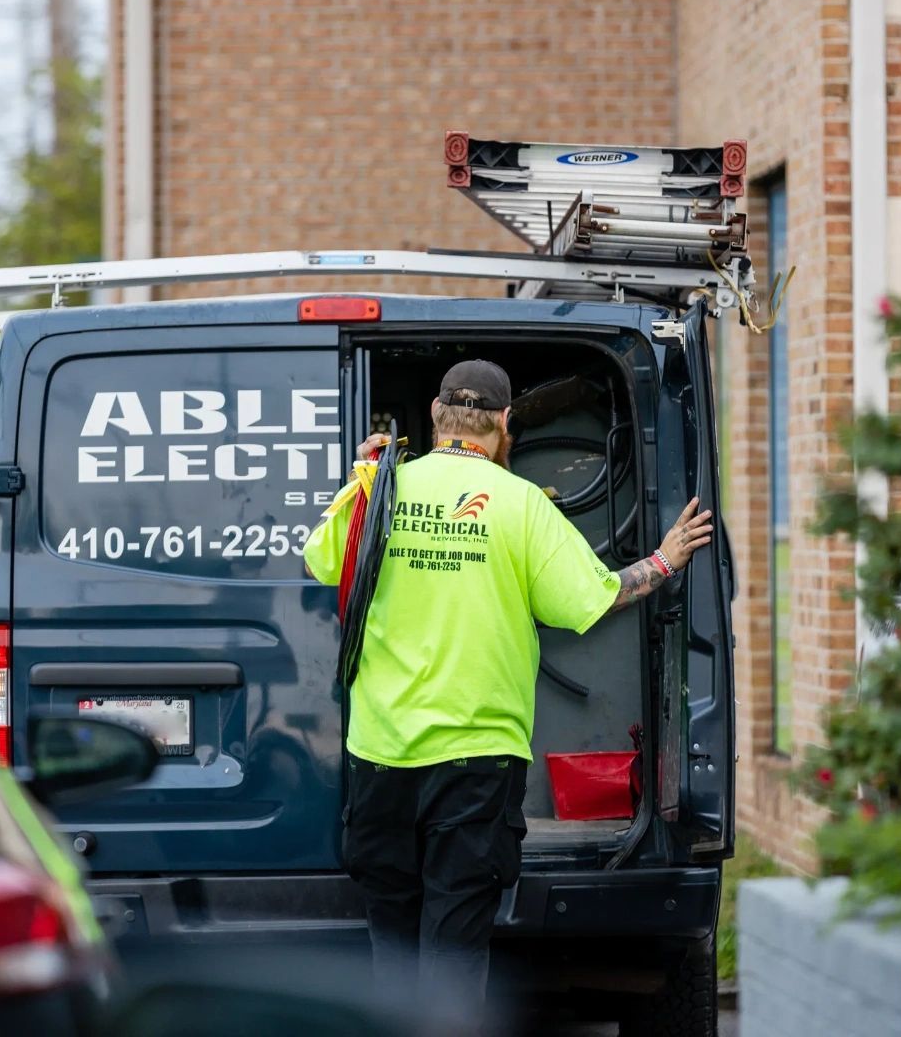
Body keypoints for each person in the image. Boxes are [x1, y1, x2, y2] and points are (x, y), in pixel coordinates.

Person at [303, 359, 712, 1012]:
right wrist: (664, 559)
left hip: (381, 757)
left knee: (392, 941)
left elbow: (322, 561)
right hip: (476, 762)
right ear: (503, 424)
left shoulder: (382, 488)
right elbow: (593, 598)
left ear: (436, 417)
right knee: (454, 947)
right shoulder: (520, 503)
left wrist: (361, 482)